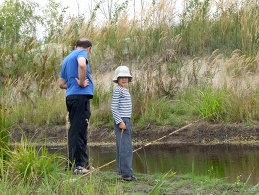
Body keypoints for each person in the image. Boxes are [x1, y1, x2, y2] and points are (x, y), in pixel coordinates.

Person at [58, 38, 94, 174]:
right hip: (80, 96)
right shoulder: (82, 53)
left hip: (71, 96)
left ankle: (83, 164)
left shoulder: (67, 59)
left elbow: (61, 84)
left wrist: (72, 85)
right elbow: (82, 65)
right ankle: (76, 166)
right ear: (88, 48)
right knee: (78, 130)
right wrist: (80, 83)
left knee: (80, 128)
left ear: (76, 45)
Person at [111, 66, 137, 181]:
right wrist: (120, 121)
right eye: (121, 77)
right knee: (125, 148)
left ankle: (122, 172)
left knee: (123, 147)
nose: (124, 79)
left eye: (126, 77)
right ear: (117, 78)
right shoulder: (118, 90)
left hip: (126, 120)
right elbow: (114, 107)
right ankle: (126, 175)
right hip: (122, 121)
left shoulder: (124, 90)